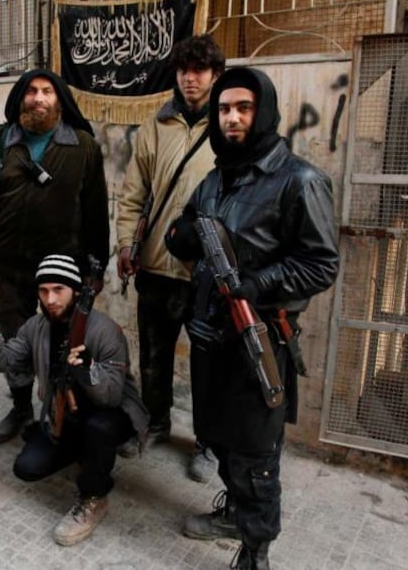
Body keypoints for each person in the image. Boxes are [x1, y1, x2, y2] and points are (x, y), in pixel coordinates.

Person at [165, 68, 339, 569]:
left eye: (242, 107)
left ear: (262, 111)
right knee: (217, 437)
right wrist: (184, 239)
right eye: (224, 109)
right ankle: (234, 511)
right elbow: (187, 227)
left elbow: (321, 264)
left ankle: (255, 550)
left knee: (256, 455)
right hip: (210, 339)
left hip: (257, 340)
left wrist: (259, 285)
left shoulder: (300, 180)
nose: (232, 117)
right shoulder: (216, 177)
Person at [0, 69, 110, 444]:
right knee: (15, 340)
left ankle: (64, 412)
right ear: (20, 98)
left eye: (47, 91)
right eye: (31, 92)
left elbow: (95, 211)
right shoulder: (1, 142)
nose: (38, 99)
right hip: (9, 267)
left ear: (59, 100)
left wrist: (97, 266)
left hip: (63, 271)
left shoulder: (83, 147)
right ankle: (21, 407)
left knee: (64, 341)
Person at [0, 254, 148, 546]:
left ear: (76, 291)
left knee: (99, 429)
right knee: (27, 468)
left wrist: (88, 368)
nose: (50, 299)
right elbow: (1, 362)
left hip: (111, 412)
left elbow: (112, 395)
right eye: (43, 290)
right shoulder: (35, 326)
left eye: (58, 290)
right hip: (62, 413)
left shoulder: (105, 331)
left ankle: (95, 495)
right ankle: (83, 452)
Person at [115, 34, 225, 481]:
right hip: (157, 266)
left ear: (215, 75)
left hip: (206, 274)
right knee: (154, 358)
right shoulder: (155, 126)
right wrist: (126, 244)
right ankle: (156, 423)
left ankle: (208, 443)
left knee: (208, 366)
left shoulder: (227, 125)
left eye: (198, 70)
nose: (189, 78)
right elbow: (132, 194)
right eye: (182, 70)